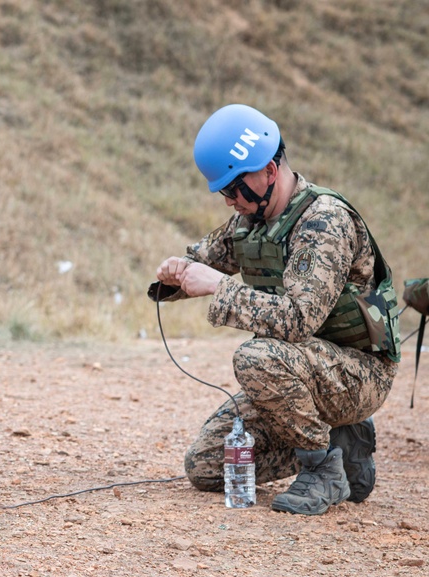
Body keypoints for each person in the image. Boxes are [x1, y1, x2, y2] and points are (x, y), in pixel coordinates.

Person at [149, 104, 401, 516]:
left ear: (268, 170)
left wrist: (218, 288)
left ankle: (323, 470)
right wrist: (175, 275)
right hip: (302, 371)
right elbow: (204, 259)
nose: (230, 201)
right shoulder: (251, 220)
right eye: (223, 192)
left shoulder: (323, 222)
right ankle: (338, 440)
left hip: (359, 373)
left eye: (235, 188)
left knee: (256, 356)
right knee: (209, 465)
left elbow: (300, 319)